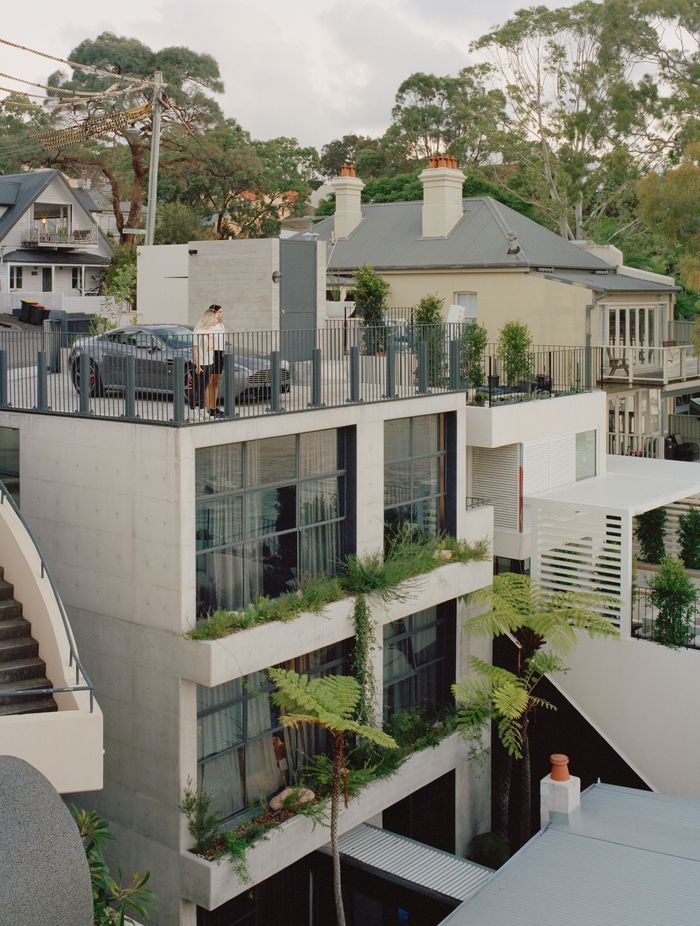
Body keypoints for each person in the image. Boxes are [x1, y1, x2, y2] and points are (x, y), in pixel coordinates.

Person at [193, 304, 226, 417]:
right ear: (214, 312)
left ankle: (213, 406)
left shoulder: (221, 325)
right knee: (208, 382)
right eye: (220, 312)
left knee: (215, 382)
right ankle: (207, 408)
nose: (222, 314)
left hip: (219, 353)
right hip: (211, 353)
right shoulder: (206, 326)